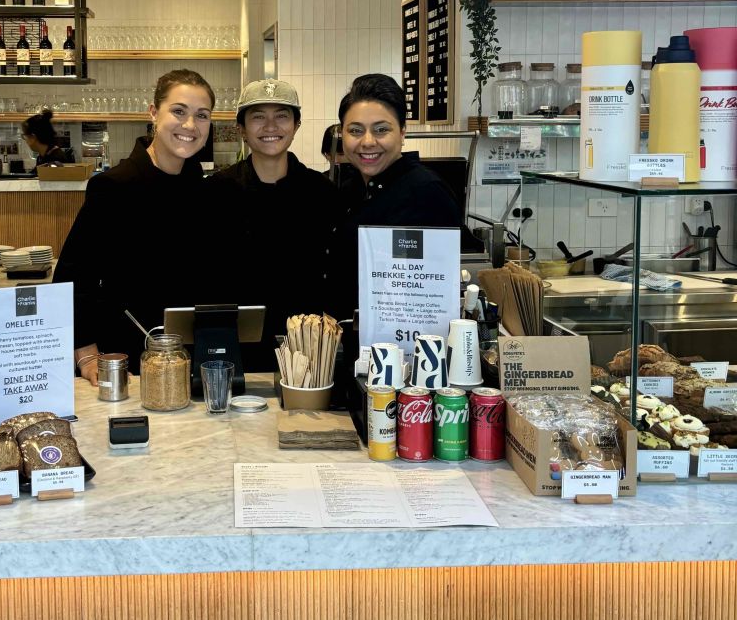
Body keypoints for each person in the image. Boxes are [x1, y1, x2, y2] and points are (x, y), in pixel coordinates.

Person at [53, 69, 218, 385]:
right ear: (154, 113)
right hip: (125, 357)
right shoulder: (114, 186)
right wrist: (86, 353)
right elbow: (75, 275)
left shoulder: (204, 190)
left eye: (202, 116)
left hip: (188, 358)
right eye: (178, 111)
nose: (189, 125)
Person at [209, 79, 338, 369]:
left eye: (281, 116)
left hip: (307, 353)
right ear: (241, 128)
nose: (271, 127)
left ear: (296, 125)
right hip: (236, 352)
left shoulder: (322, 194)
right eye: (258, 117)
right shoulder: (217, 193)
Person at [328, 73, 463, 320]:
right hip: (345, 343)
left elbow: (430, 293)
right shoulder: (350, 189)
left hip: (396, 351)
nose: (367, 142)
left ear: (402, 132)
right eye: (355, 130)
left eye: (381, 130)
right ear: (342, 134)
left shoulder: (426, 193)